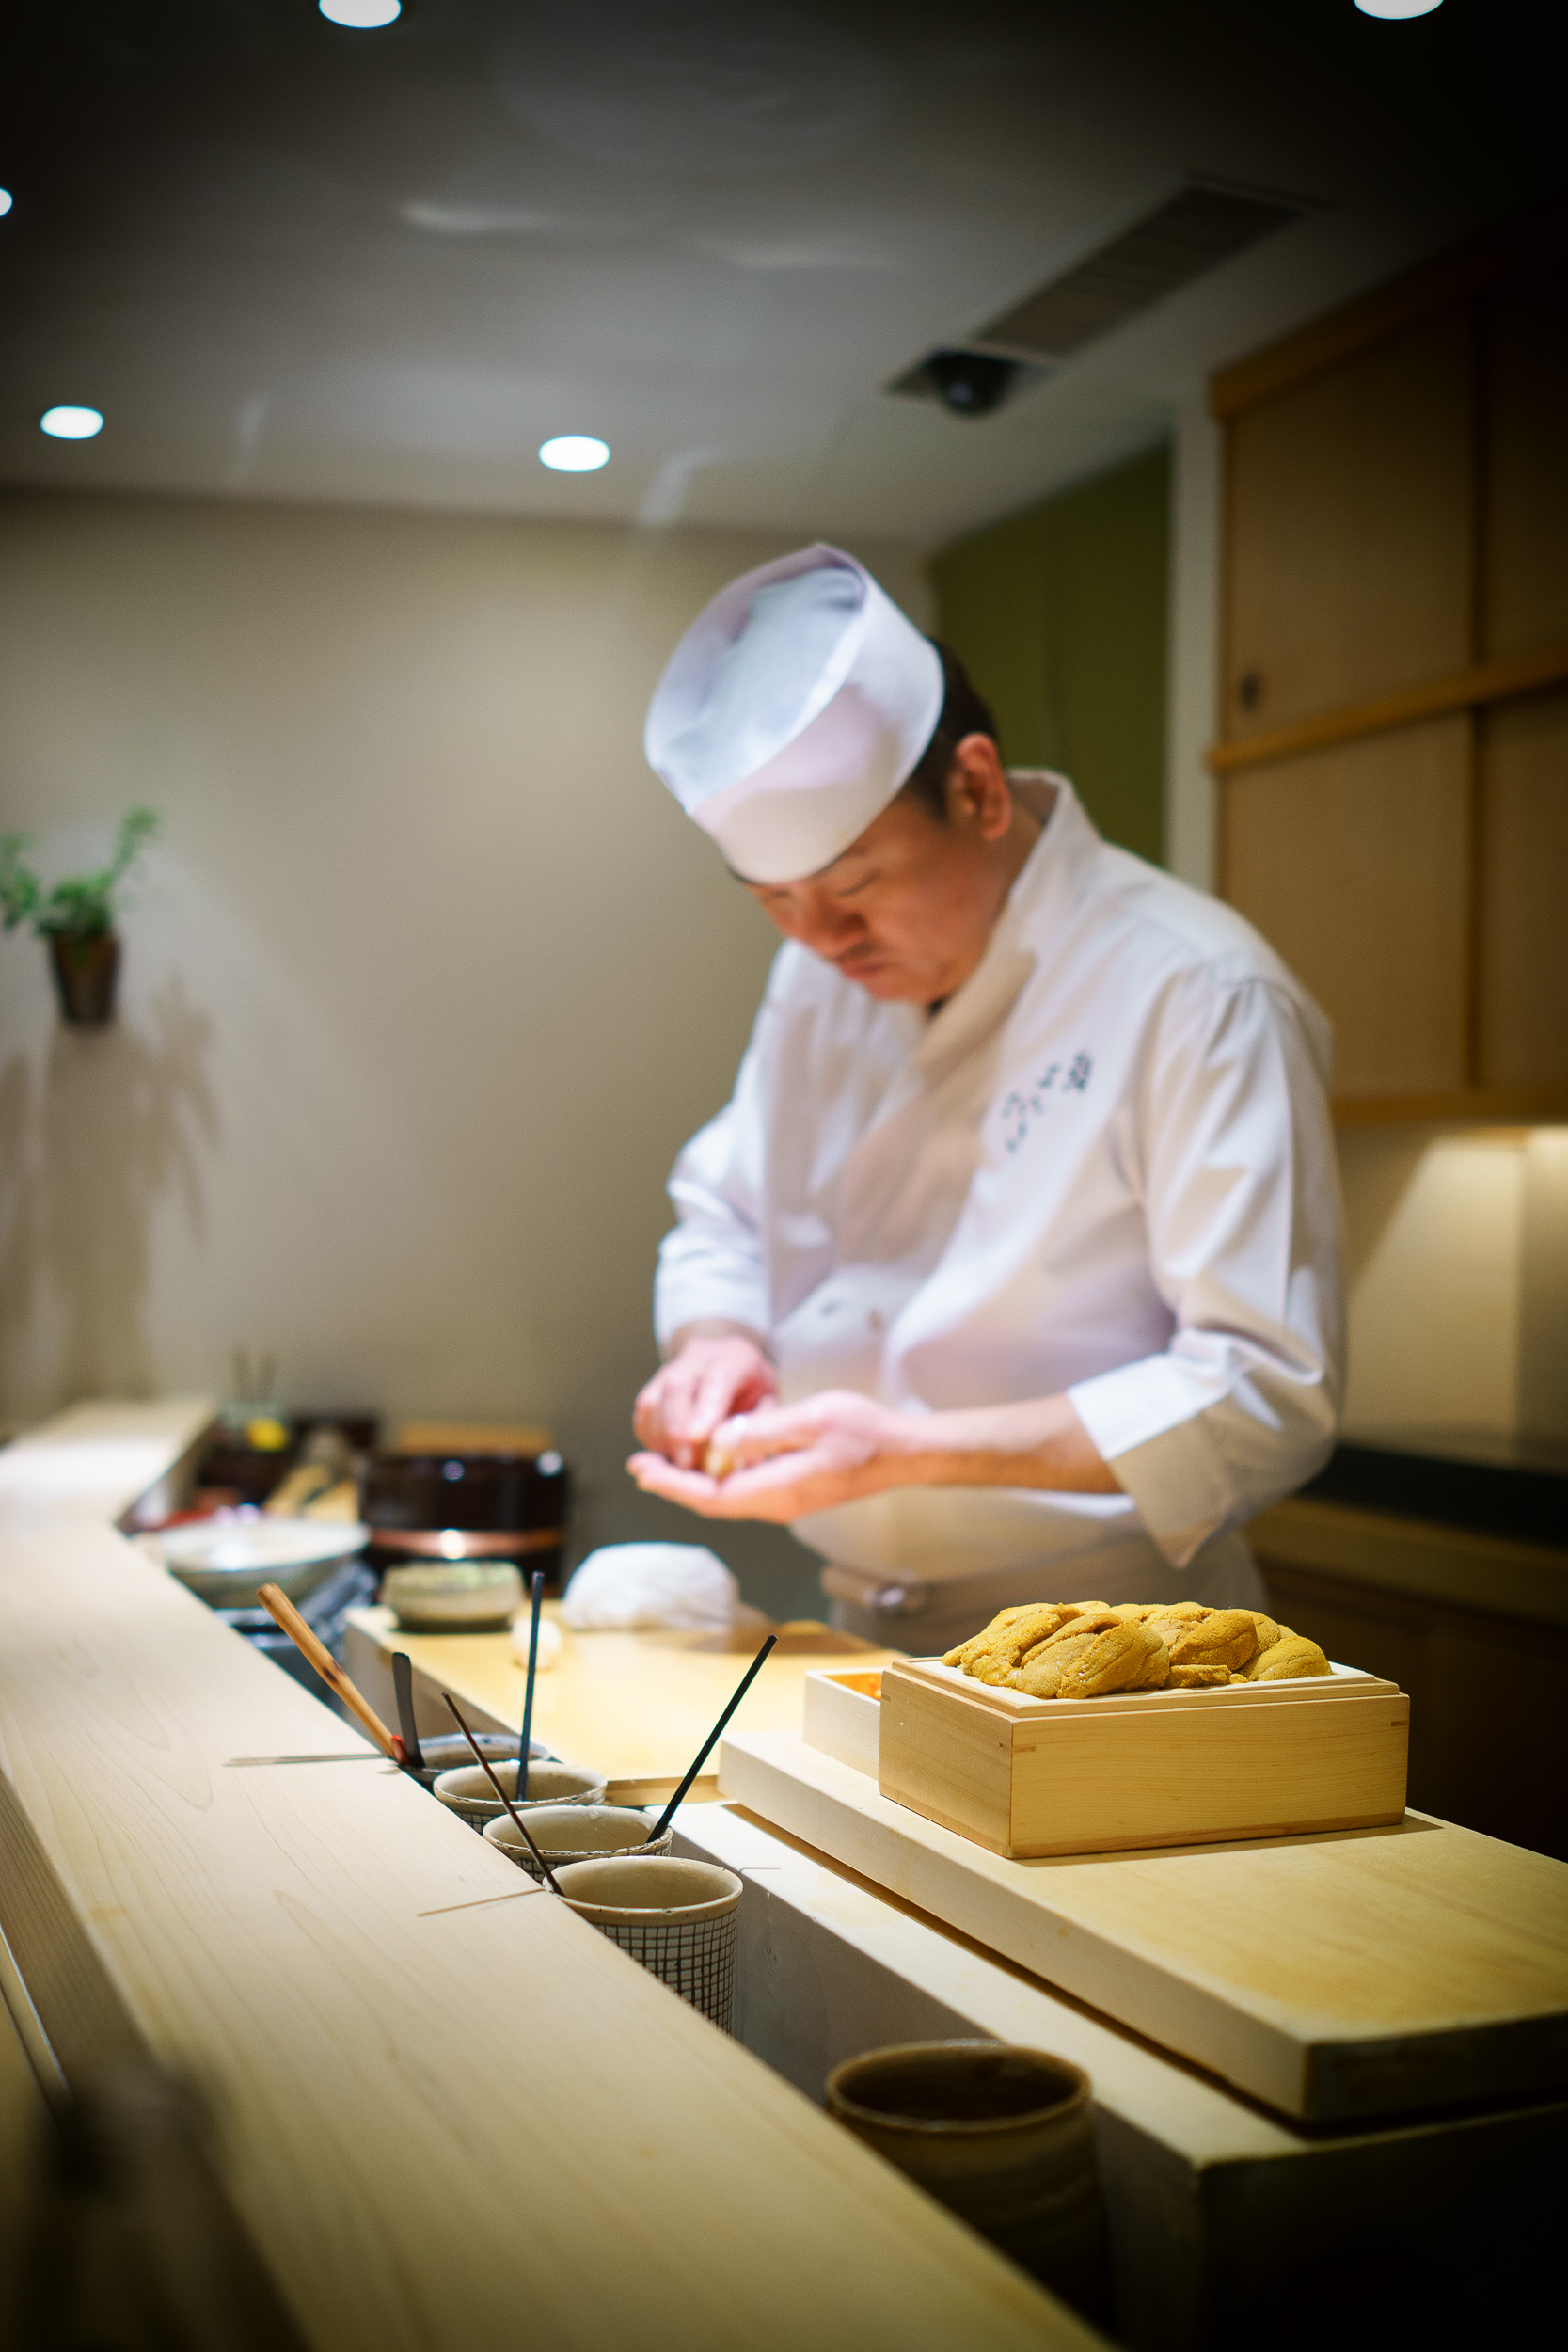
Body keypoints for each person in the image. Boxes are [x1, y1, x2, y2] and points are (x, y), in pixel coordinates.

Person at [628, 543, 1343, 1651]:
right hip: (862, 1621)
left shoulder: (1194, 988)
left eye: (855, 884)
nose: (823, 941)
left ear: (974, 787)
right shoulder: (821, 977)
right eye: (775, 902)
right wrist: (713, 1341)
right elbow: (728, 1199)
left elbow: (1263, 1391)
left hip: (1123, 1634)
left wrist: (910, 1449)